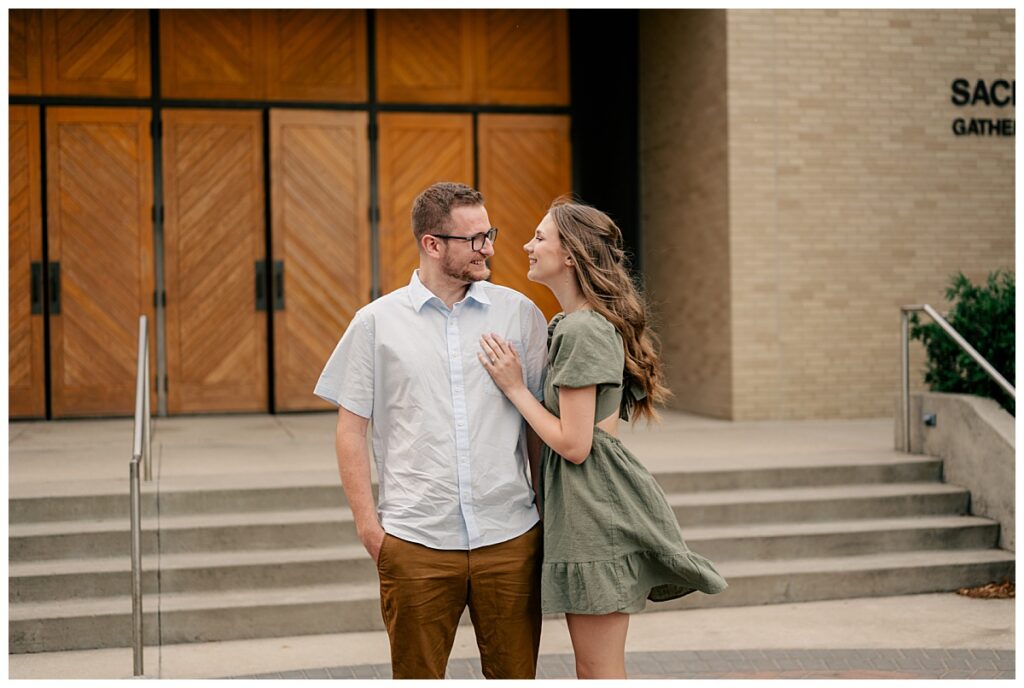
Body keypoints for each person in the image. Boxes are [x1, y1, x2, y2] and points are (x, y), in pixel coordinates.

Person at [478, 198, 728, 679]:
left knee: (597, 673)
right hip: (585, 507)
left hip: (593, 512)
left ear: (571, 254)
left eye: (540, 237)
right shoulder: (577, 325)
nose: (528, 246)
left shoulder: (583, 330)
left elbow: (576, 443)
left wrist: (513, 387)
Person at [314, 182, 549, 679]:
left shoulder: (520, 314)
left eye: (490, 234)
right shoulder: (375, 323)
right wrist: (369, 528)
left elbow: (536, 424)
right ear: (432, 244)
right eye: (474, 239)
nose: (488, 247)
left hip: (509, 537)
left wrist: (544, 509)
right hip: (415, 539)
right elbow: (351, 429)